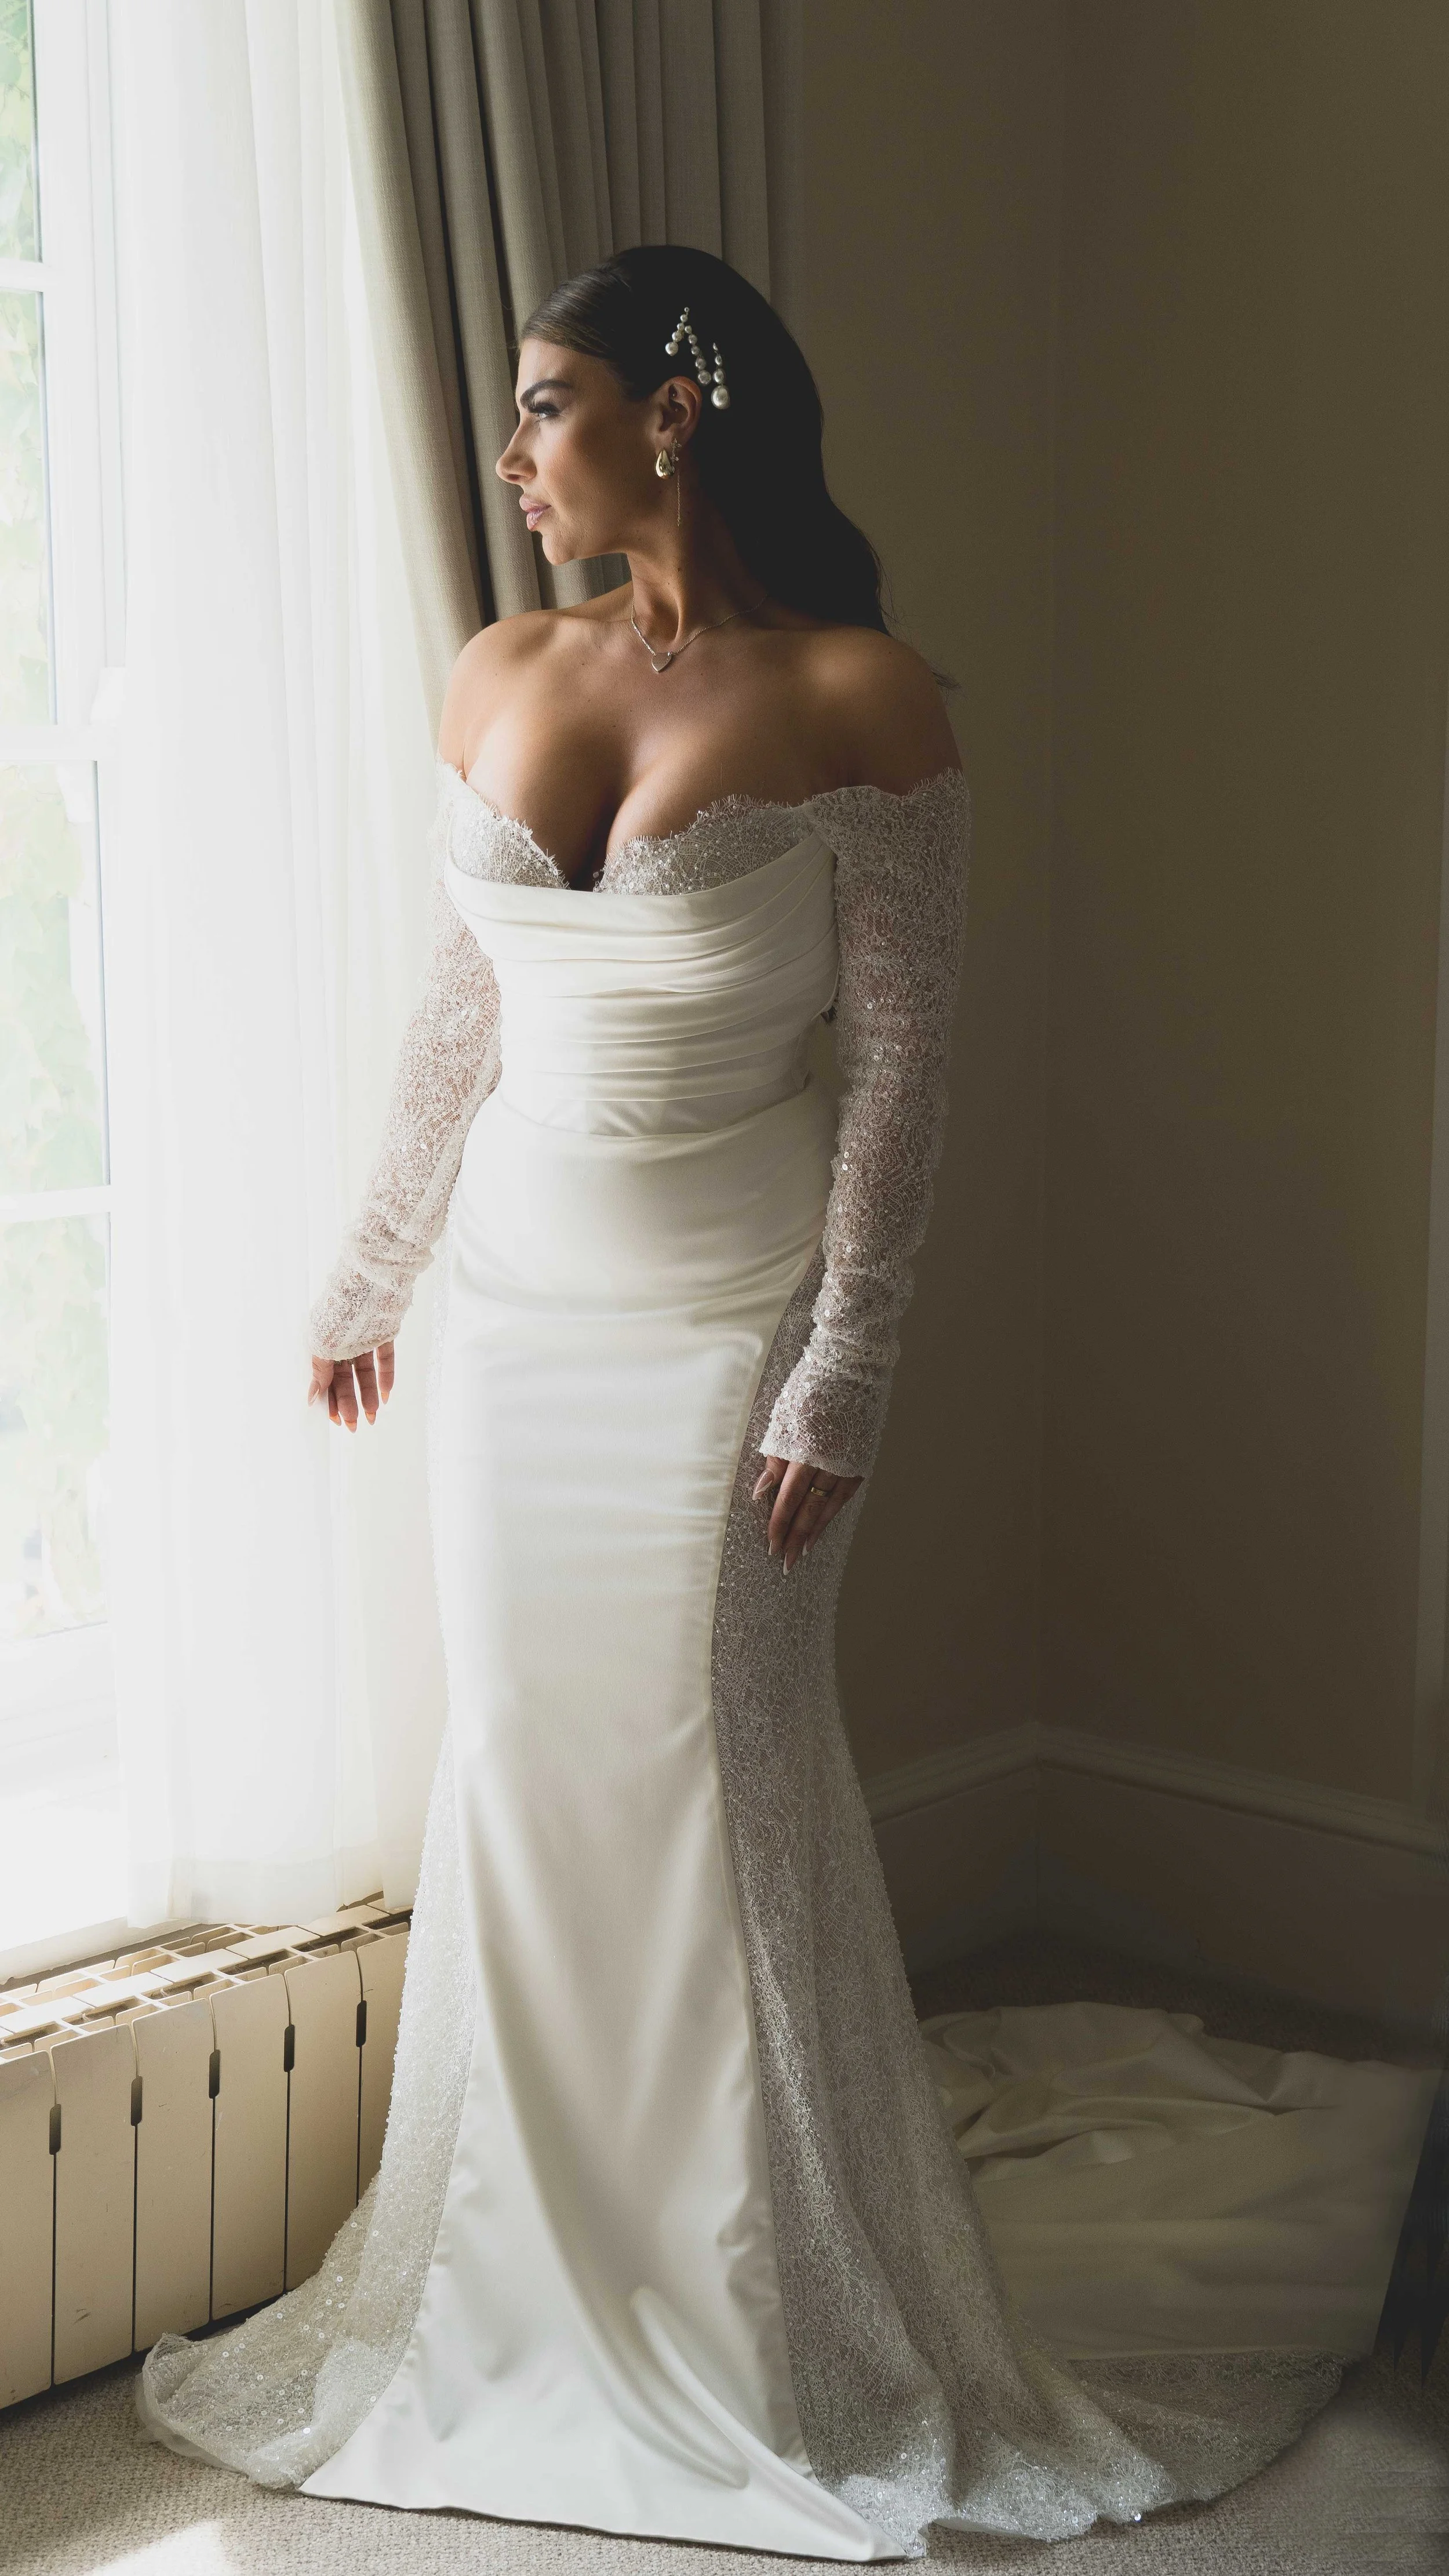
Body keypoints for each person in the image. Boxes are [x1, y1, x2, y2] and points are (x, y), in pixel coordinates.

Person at [137, 245, 1345, 2556]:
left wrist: (844, 1364)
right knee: (525, 1767)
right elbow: (459, 1017)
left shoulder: (862, 699)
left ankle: (765, 2307)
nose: (517, 455)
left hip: (730, 1322)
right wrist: (369, 1267)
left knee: (723, 1772)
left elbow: (900, 1075)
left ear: (673, 412)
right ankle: (519, 2282)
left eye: (546, 404)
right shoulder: (500, 667)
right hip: (516, 1314)